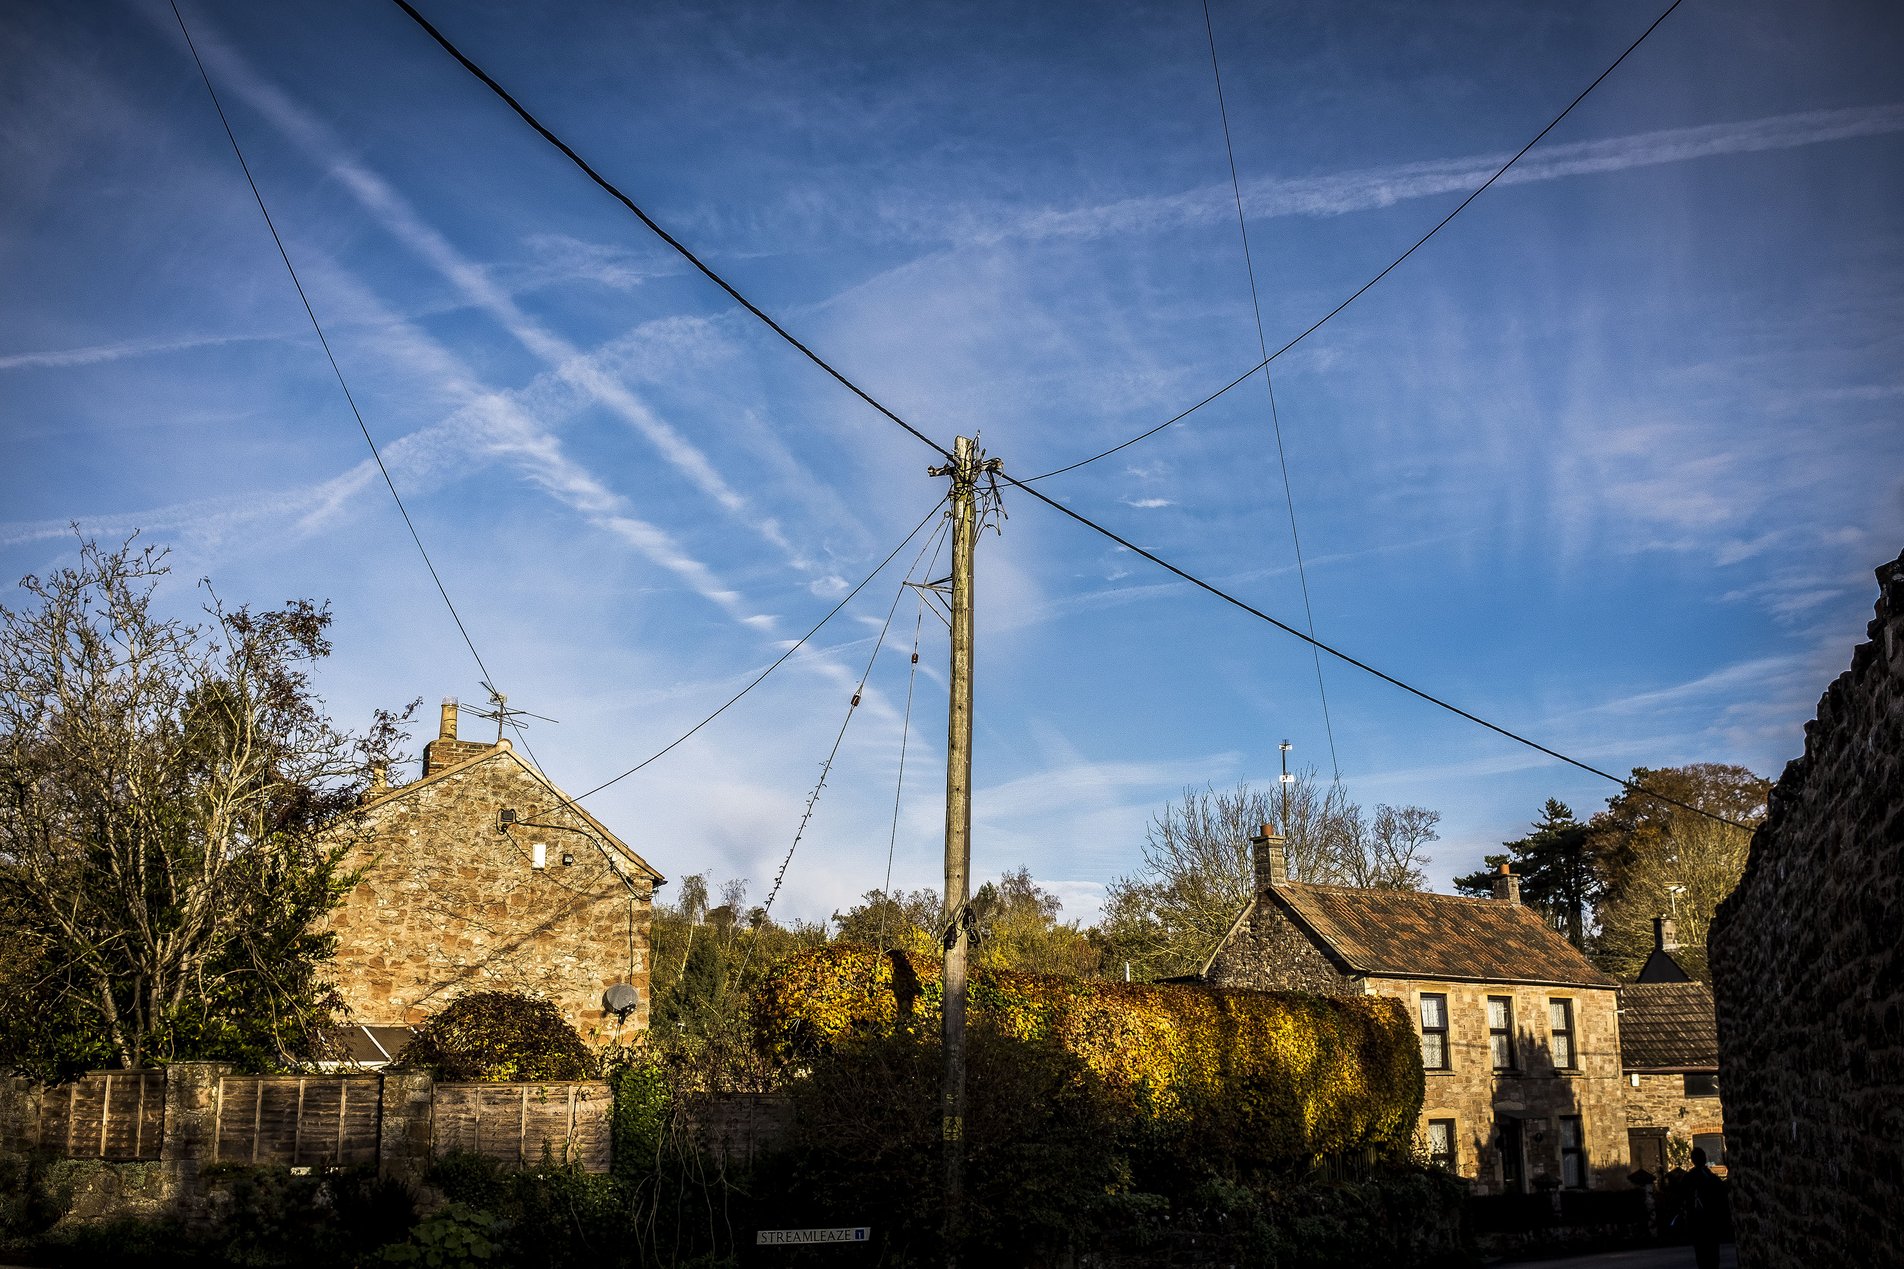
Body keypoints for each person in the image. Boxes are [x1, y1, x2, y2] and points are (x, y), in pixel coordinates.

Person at [1683, 1146, 1729, 1269]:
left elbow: (1681, 1197)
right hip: (1711, 1220)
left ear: (1693, 1160)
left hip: (1697, 1222)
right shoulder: (1712, 1178)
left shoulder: (1688, 1178)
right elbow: (1722, 1196)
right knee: (1713, 1252)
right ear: (1704, 1159)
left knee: (1701, 1253)